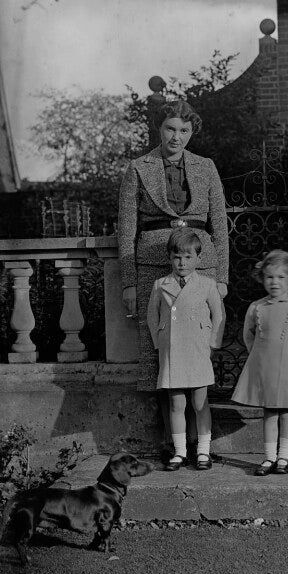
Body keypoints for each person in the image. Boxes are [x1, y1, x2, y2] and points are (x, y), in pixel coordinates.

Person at [118, 99, 229, 459]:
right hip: (153, 264)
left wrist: (222, 276)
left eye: (183, 130)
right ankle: (173, 444)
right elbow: (126, 230)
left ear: (192, 131)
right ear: (159, 129)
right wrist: (130, 282)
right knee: (160, 357)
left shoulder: (206, 166)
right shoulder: (138, 168)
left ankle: (203, 445)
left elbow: (220, 225)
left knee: (199, 351)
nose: (176, 136)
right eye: (170, 128)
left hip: (201, 264)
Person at [231, 250, 288, 476]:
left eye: (281, 277)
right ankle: (269, 458)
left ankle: (284, 457)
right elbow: (249, 336)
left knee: (287, 411)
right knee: (269, 412)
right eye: (270, 277)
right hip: (266, 369)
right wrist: (261, 357)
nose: (275, 282)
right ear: (262, 279)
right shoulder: (257, 307)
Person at [146, 229, 225, 471]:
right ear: (169, 258)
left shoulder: (207, 285)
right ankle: (180, 452)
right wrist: (160, 343)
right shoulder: (161, 284)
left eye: (188, 257)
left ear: (198, 259)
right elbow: (152, 316)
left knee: (200, 403)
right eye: (177, 257)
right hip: (172, 351)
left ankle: (203, 451)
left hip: (197, 349)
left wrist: (212, 344)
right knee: (176, 404)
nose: (182, 262)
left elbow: (219, 314)